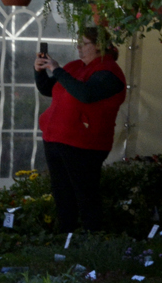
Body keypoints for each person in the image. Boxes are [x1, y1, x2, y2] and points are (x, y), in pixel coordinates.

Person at [33, 27, 126, 233]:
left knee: (85, 195)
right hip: (56, 138)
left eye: (84, 44)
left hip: (84, 143)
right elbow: (49, 89)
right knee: (62, 193)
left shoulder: (109, 73)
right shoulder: (75, 66)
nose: (79, 48)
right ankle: (67, 238)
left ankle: (91, 240)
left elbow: (85, 95)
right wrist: (40, 71)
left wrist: (57, 70)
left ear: (100, 46)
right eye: (79, 43)